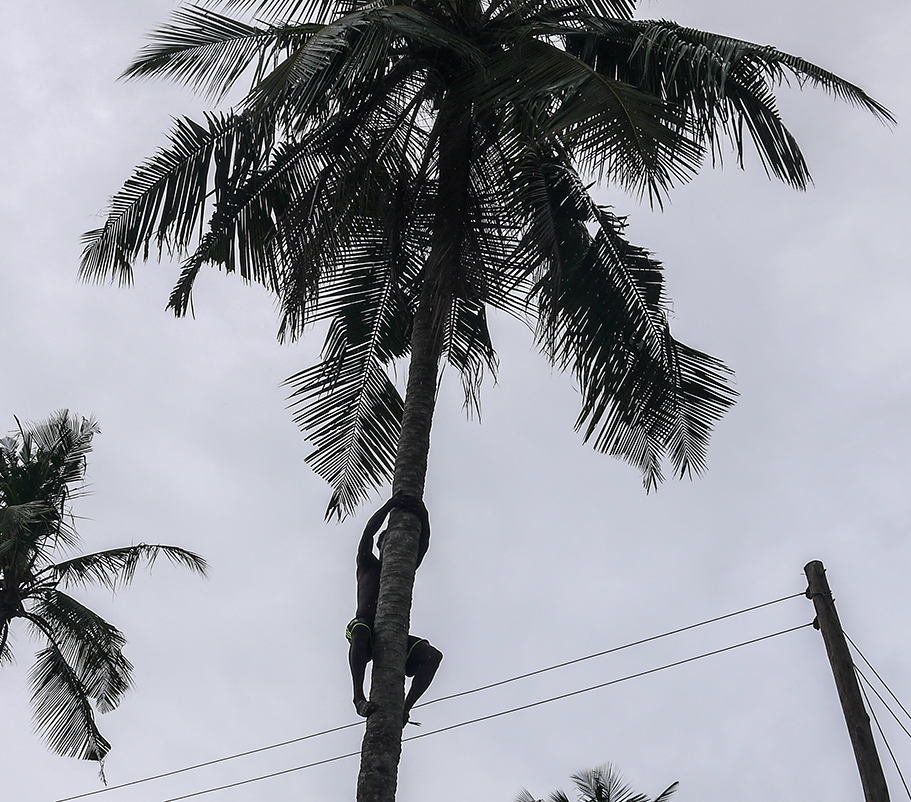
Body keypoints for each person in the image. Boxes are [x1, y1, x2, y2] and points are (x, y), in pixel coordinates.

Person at [346, 493, 442, 726]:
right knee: (361, 630)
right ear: (381, 545)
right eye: (387, 539)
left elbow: (423, 545)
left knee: (432, 656)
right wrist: (390, 505)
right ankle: (358, 697)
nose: (392, 543)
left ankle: (405, 707)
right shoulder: (368, 563)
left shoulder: (404, 567)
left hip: (392, 634)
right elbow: (368, 533)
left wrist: (423, 515)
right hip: (364, 626)